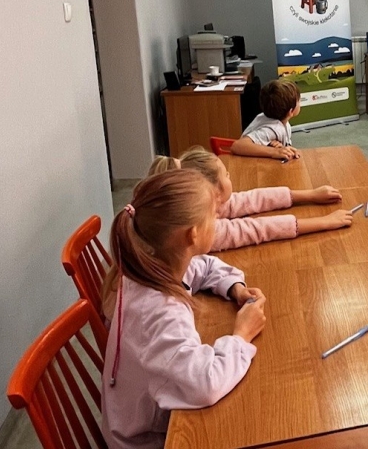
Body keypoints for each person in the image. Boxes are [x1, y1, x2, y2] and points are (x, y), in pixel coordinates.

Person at [100, 169, 267, 449]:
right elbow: (205, 383)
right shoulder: (160, 312)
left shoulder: (151, 266)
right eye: (213, 216)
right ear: (193, 234)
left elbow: (204, 267)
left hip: (134, 419)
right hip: (145, 442)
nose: (217, 220)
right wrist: (241, 335)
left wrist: (234, 287)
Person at [147, 147, 353, 252]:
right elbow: (258, 229)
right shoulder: (199, 228)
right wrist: (325, 222)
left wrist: (310, 195)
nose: (229, 176)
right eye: (225, 175)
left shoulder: (200, 203)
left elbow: (252, 199)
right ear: (213, 192)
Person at [231, 80, 301, 161]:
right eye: (299, 100)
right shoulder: (272, 129)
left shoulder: (276, 121)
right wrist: (274, 151)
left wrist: (283, 149)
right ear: (291, 111)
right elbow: (237, 146)